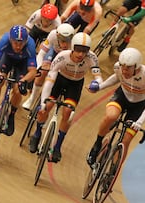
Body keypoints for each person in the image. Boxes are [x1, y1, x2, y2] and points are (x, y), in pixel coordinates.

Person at [29, 32, 103, 163]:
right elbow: (49, 81)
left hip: (75, 85)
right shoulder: (62, 57)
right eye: (78, 50)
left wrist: (97, 83)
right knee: (47, 107)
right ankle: (37, 133)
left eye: (84, 51)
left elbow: (98, 76)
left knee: (68, 113)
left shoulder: (92, 58)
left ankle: (57, 147)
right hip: (59, 80)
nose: (81, 54)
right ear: (73, 47)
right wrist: (43, 103)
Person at [86, 47, 145, 168]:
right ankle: (97, 144)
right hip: (122, 97)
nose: (124, 70)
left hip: (139, 105)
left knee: (126, 140)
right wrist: (100, 87)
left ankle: (113, 170)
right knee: (111, 116)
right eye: (123, 66)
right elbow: (116, 78)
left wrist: (139, 122)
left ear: (137, 66)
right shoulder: (118, 67)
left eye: (128, 67)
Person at [0, 25, 37, 136]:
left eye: (21, 44)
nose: (18, 46)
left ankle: (11, 116)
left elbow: (33, 71)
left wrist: (24, 81)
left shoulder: (30, 45)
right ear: (10, 40)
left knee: (18, 90)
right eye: (15, 43)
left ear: (25, 42)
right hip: (7, 59)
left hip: (22, 63)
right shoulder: (4, 40)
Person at [22, 23, 75, 110]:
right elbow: (41, 54)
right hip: (53, 51)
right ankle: (32, 98)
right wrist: (39, 67)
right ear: (57, 35)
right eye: (62, 40)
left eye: (67, 40)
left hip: (66, 57)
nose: (65, 44)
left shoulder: (74, 44)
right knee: (42, 72)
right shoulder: (53, 35)